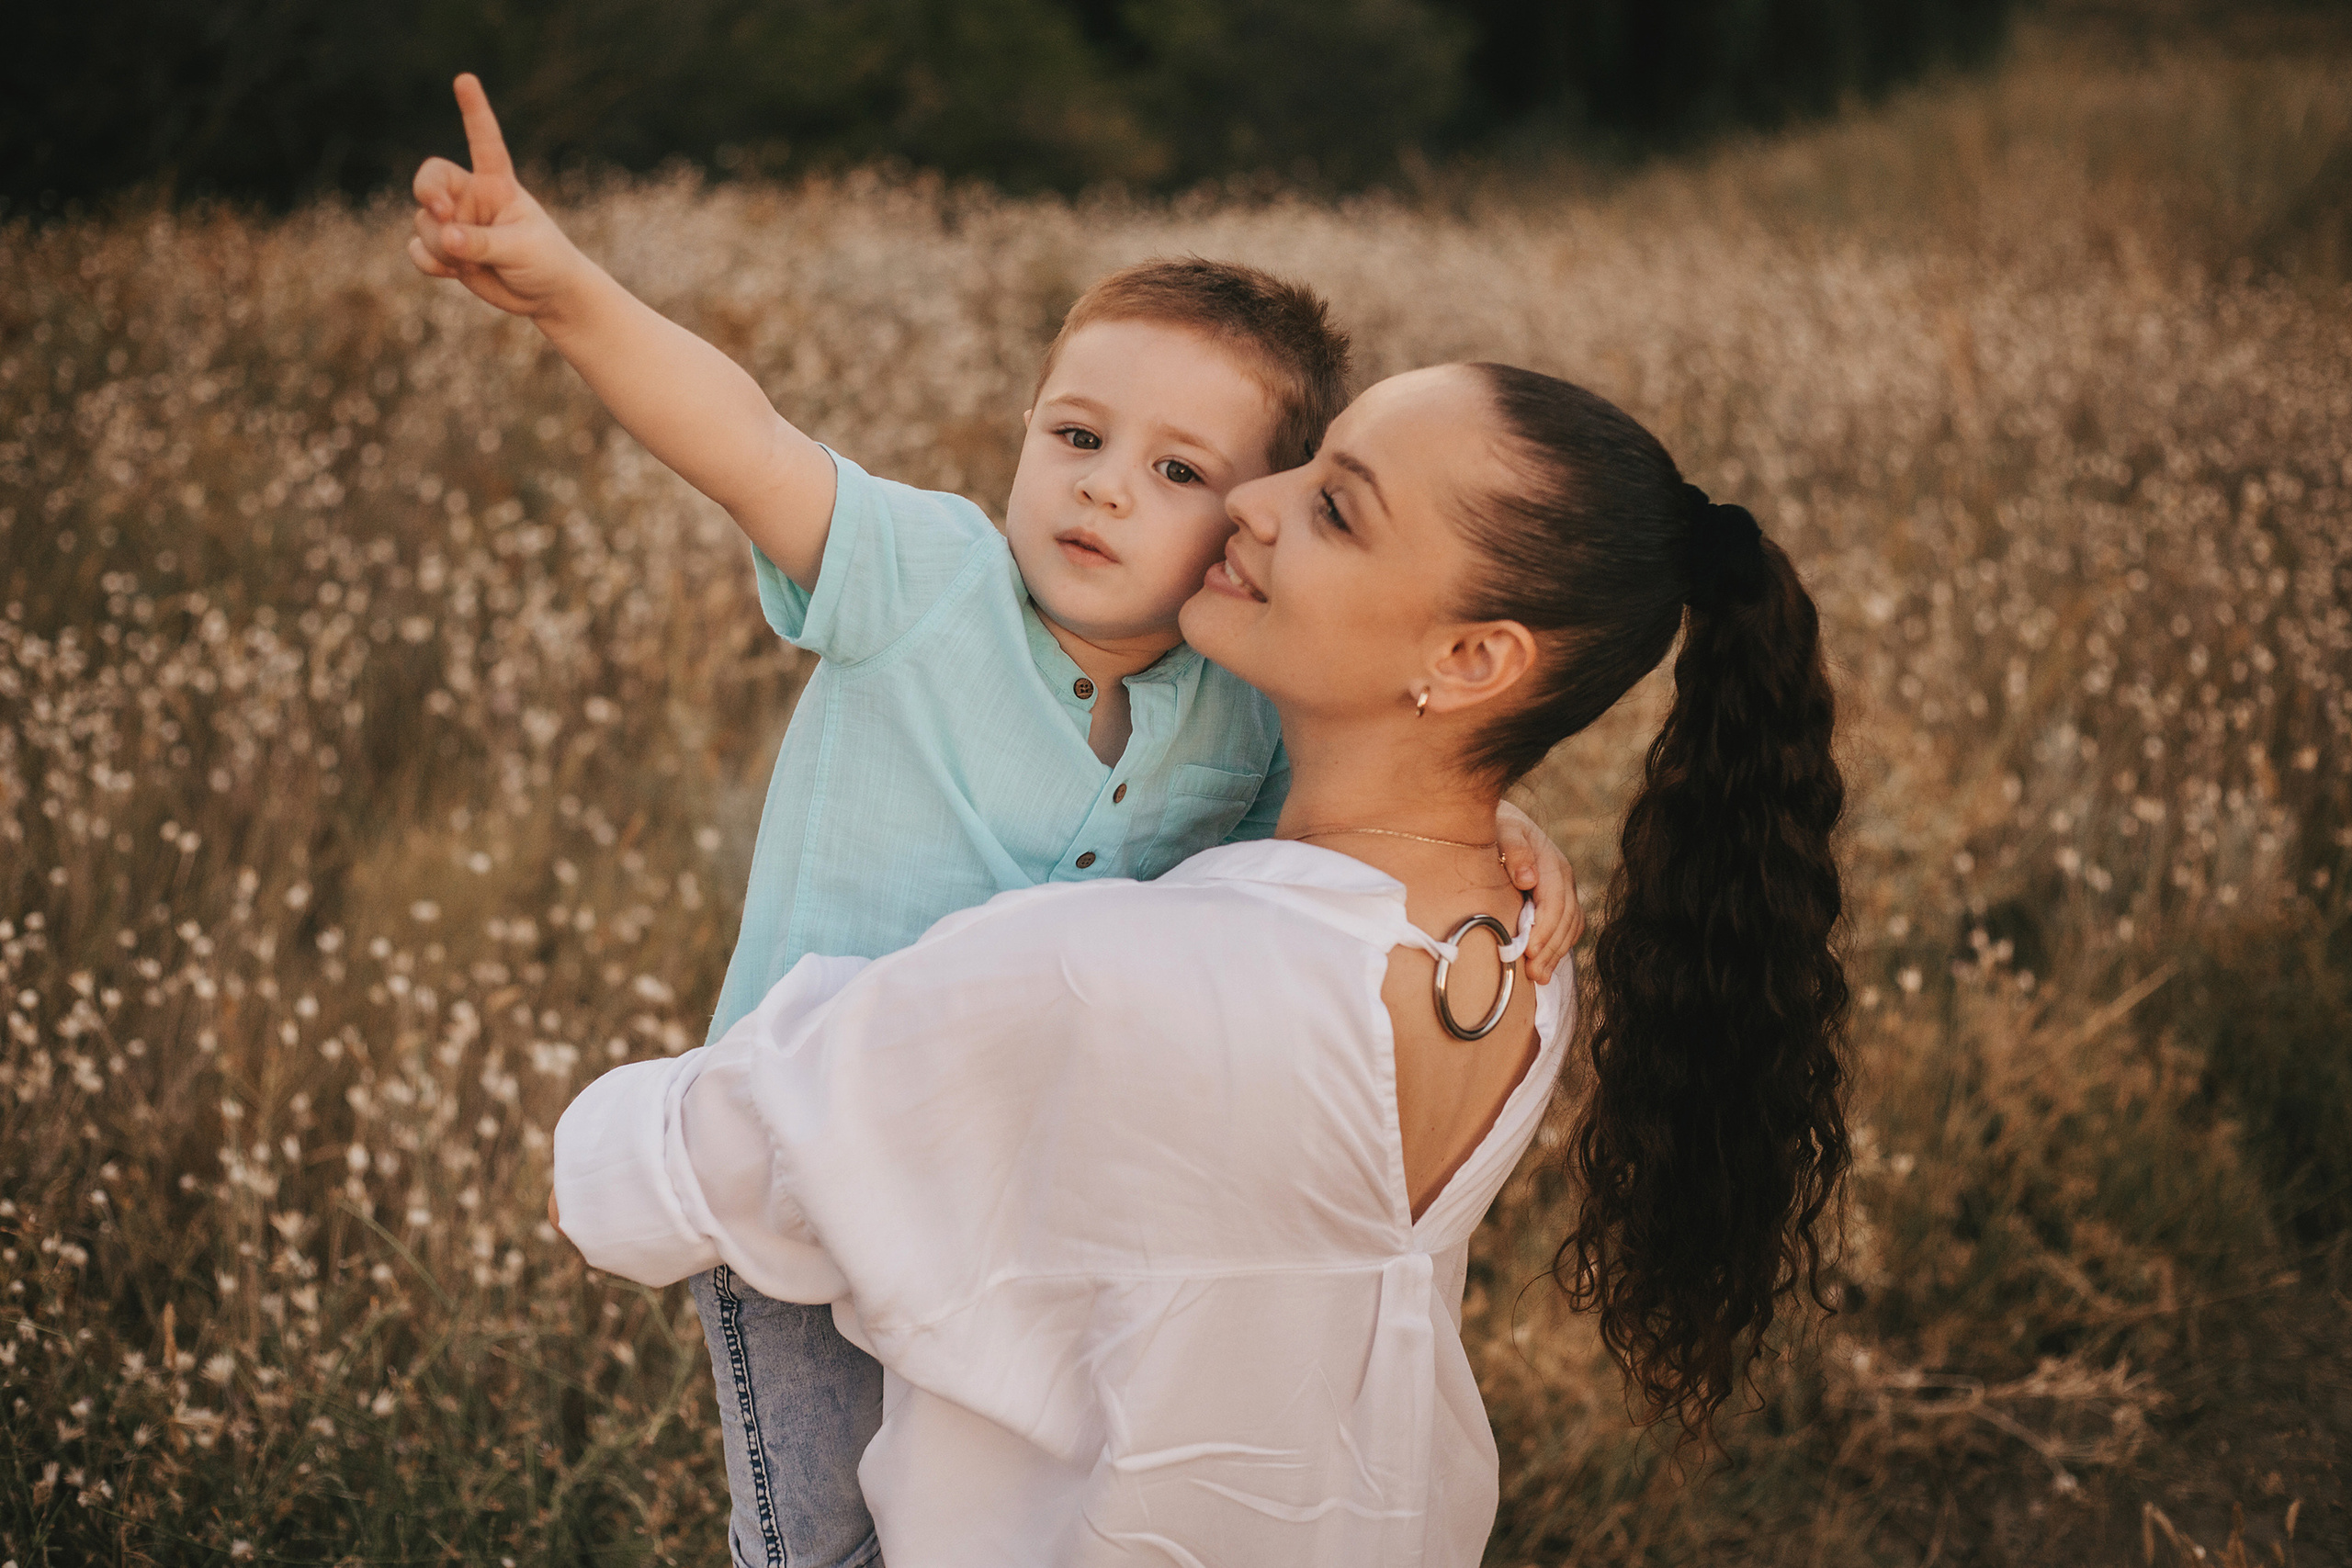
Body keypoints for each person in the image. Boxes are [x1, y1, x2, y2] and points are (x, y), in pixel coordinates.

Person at [404, 76, 1583, 1568]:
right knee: (820, 1533)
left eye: (1175, 473)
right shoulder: (927, 579)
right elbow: (745, 438)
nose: (1100, 489)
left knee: (980, 1488)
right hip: (796, 1153)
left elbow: (1395, 792)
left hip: (1022, 1178)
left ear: (1248, 523)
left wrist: (1520, 831)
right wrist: (565, 289)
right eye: (1074, 435)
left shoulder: (1240, 700)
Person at [552, 360, 1851, 1565]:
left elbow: (655, 1176)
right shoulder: (1517, 953)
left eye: (1336, 508)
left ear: (1469, 661)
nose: (1253, 500)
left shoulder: (1116, 975)